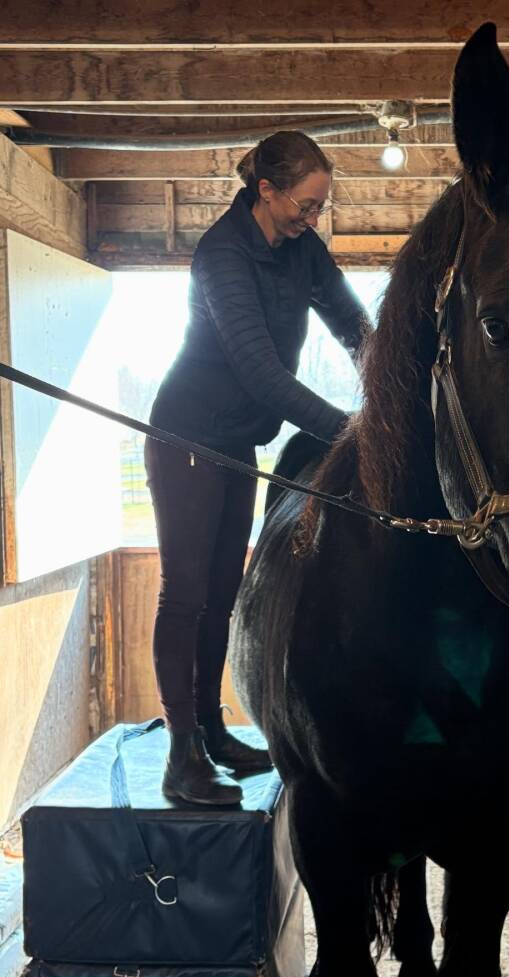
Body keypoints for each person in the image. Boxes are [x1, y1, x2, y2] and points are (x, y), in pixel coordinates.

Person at [145, 131, 370, 806]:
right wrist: (356, 431)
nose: (313, 218)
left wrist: (393, 378)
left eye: (320, 206)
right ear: (266, 192)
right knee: (185, 593)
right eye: (305, 204)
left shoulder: (302, 248)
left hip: (236, 441)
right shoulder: (221, 255)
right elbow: (264, 377)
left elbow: (351, 322)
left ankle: (212, 732)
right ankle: (182, 754)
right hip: (185, 434)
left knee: (223, 591)